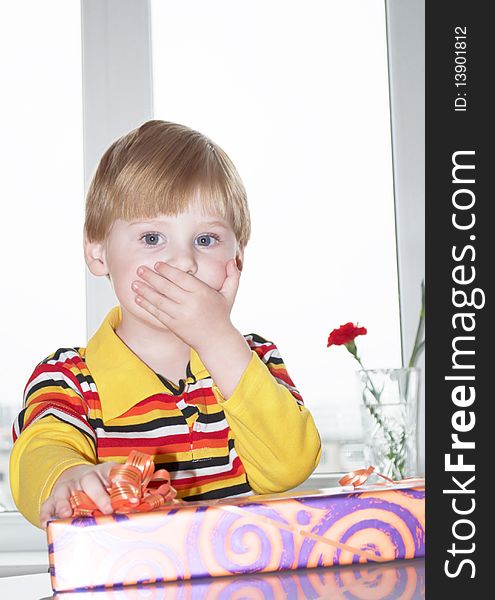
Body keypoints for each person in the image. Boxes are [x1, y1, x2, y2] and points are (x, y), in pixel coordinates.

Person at [9, 120, 322, 529]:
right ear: (98, 251)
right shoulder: (70, 379)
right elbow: (41, 449)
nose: (184, 261)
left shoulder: (253, 360)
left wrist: (218, 339)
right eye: (153, 238)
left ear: (238, 257)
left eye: (206, 239)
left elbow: (289, 467)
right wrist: (67, 478)